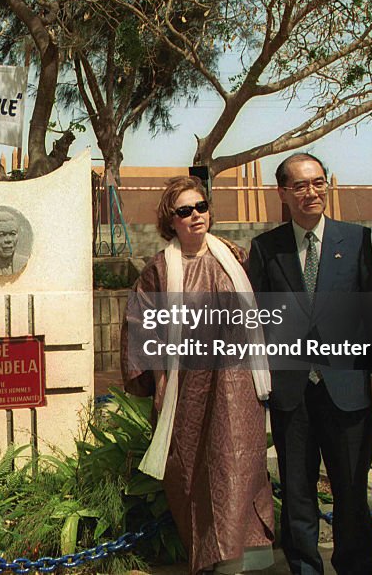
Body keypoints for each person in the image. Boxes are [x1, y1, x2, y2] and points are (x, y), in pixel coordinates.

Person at [121, 176, 273, 575]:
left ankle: (237, 561)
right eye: (184, 211)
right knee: (189, 473)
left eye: (201, 207)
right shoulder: (158, 271)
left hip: (236, 385)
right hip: (184, 390)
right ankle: (206, 558)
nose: (195, 216)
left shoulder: (236, 258)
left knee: (236, 464)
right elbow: (142, 328)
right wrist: (160, 381)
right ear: (170, 221)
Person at [247, 153, 372, 575]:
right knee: (299, 493)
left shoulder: (358, 241)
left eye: (319, 182)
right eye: (301, 185)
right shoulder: (266, 249)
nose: (312, 192)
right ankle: (305, 567)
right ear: (283, 193)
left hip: (347, 390)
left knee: (351, 490)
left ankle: (356, 566)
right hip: (293, 393)